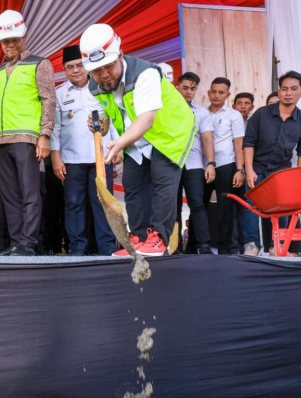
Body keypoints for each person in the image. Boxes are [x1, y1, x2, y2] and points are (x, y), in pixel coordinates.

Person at [80, 23, 195, 257]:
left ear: (120, 55)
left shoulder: (146, 74)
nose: (104, 75)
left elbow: (146, 119)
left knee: (163, 181)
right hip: (135, 135)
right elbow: (102, 119)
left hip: (169, 131)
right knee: (133, 185)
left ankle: (159, 240)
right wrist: (98, 126)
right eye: (97, 71)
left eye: (109, 66)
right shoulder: (93, 86)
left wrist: (120, 143)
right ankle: (139, 239)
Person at [0, 10, 56, 256]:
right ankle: (16, 242)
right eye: (5, 41)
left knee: (30, 192)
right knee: (9, 196)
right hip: (0, 140)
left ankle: (29, 243)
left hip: (27, 139)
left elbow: (49, 100)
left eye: (15, 40)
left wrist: (45, 135)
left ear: (24, 38)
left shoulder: (39, 64)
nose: (10, 45)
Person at [50, 44, 117, 256]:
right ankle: (77, 248)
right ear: (64, 70)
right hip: (71, 159)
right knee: (73, 204)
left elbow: (114, 121)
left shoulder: (102, 88)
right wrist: (55, 157)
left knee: (103, 204)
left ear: (87, 66)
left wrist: (117, 150)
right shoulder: (59, 94)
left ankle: (106, 248)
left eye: (79, 65)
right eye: (70, 67)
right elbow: (55, 128)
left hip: (101, 158)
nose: (76, 70)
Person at [242, 71, 301, 256]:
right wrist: (249, 170)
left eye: (293, 89)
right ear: (279, 91)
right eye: (284, 89)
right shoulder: (261, 114)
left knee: (282, 208)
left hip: (282, 170)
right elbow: (248, 142)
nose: (288, 93)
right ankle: (251, 245)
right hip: (257, 167)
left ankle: (278, 245)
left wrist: (298, 177)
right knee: (251, 205)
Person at [174, 72, 215, 254]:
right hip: (171, 164)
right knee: (172, 205)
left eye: (192, 88)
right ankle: (173, 245)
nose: (188, 92)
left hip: (194, 164)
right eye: (185, 88)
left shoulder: (202, 112)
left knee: (197, 204)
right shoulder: (167, 110)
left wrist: (211, 163)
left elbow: (207, 138)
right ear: (177, 88)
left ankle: (203, 245)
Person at [206, 77, 245, 254]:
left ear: (228, 95)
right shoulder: (201, 112)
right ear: (208, 92)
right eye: (213, 91)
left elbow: (239, 144)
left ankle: (225, 248)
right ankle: (198, 245)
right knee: (199, 206)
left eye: (221, 92)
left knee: (225, 208)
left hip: (226, 165)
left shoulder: (234, 115)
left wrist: (239, 169)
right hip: (203, 165)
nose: (216, 95)